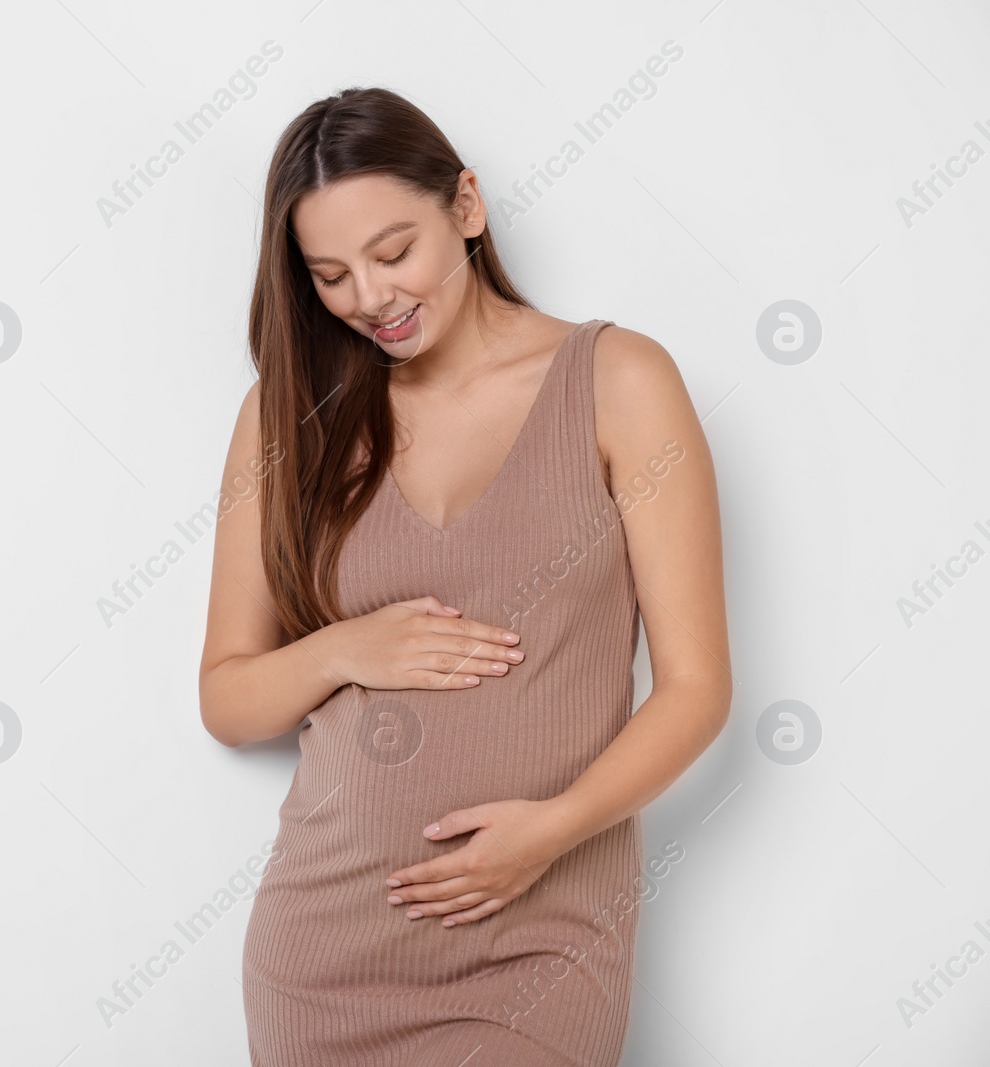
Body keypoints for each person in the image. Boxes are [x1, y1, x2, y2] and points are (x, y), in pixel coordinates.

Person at [198, 86, 731, 1066]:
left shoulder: (618, 381)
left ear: (467, 207)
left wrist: (551, 830)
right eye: (329, 274)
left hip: (540, 938)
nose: (369, 296)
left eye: (392, 251)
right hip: (324, 949)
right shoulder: (285, 417)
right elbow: (229, 698)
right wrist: (345, 645)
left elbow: (697, 689)